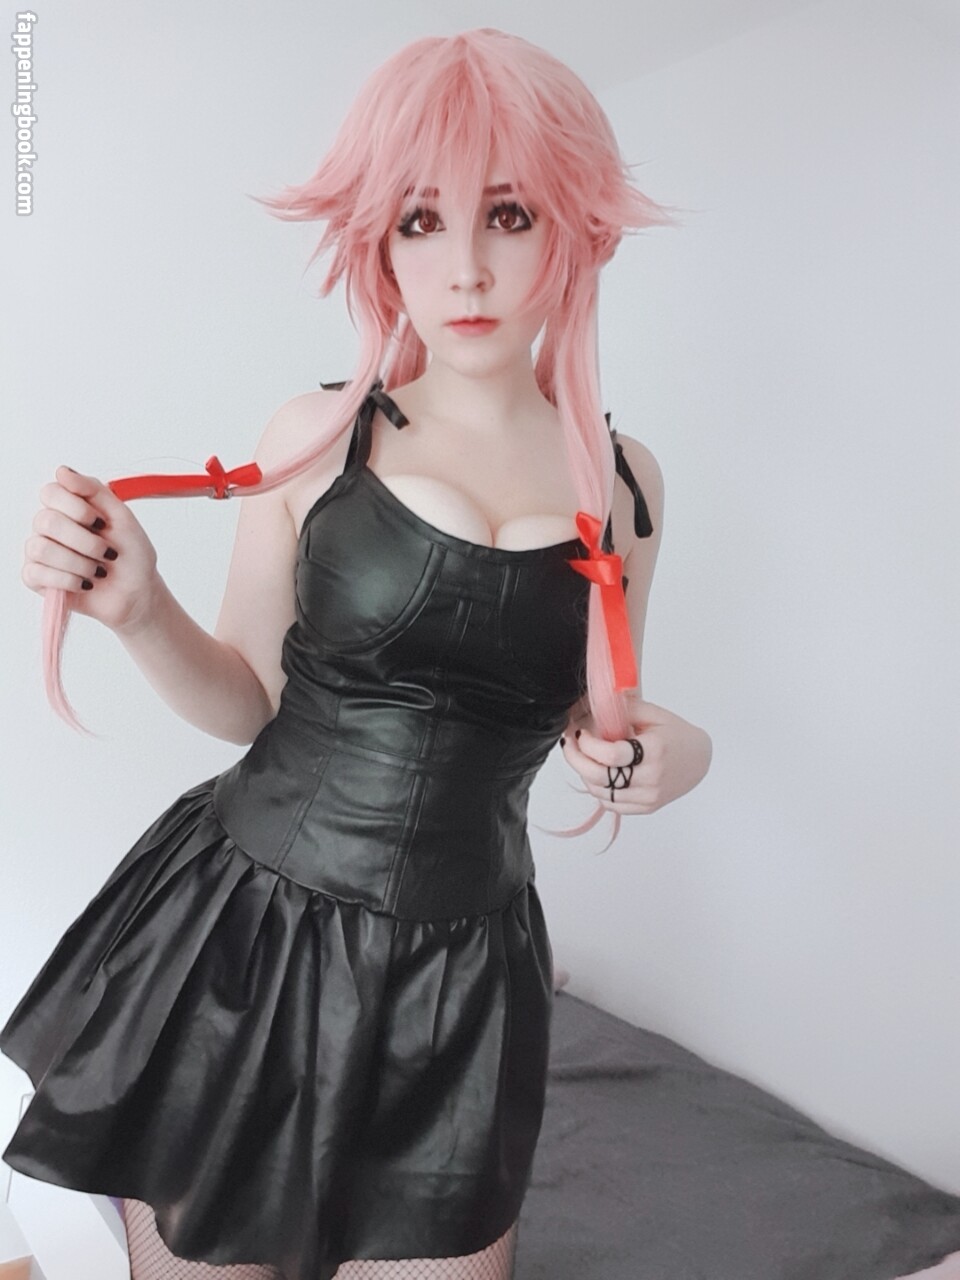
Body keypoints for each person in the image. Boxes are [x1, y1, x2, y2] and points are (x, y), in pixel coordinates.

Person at [2, 28, 712, 1280]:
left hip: (465, 971)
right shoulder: (318, 436)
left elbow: (603, 711)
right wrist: (141, 607)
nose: (466, 267)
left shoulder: (625, 478)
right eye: (421, 221)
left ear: (575, 227)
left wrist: (676, 751)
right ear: (380, 242)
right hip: (247, 928)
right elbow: (249, 699)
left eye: (508, 215)